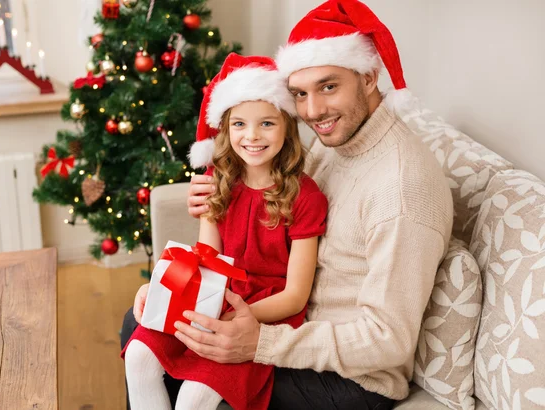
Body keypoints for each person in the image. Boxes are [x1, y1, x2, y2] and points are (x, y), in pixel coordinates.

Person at [123, 1, 454, 408]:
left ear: (369, 77)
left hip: (348, 377)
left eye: (328, 86)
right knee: (141, 327)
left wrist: (257, 342)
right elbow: (262, 197)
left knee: (198, 381)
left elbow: (388, 340)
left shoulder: (402, 189)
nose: (312, 111)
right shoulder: (337, 140)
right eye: (300, 94)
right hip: (283, 323)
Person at [122, 53, 328, 410]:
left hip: (264, 312)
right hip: (213, 296)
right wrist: (161, 288)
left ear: (287, 127)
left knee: (195, 396)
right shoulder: (218, 184)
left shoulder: (306, 197)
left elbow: (295, 296)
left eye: (267, 123)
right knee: (139, 355)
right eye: (239, 125)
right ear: (225, 128)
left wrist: (234, 318)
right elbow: (206, 259)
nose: (252, 136)